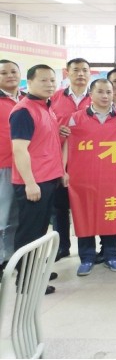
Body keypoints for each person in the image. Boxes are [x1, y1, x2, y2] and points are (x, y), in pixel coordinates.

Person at [10, 64, 65, 294]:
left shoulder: (46, 107)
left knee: (40, 230)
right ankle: (25, 281)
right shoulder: (24, 111)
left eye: (52, 80)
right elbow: (19, 150)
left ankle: (34, 270)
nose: (49, 84)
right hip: (34, 182)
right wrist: (30, 183)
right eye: (43, 80)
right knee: (29, 232)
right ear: (29, 82)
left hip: (48, 178)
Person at [64, 79, 116, 276]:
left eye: (109, 92)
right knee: (84, 216)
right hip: (83, 178)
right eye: (100, 91)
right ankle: (87, 258)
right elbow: (67, 145)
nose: (105, 96)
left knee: (112, 215)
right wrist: (64, 170)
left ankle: (111, 255)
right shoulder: (75, 118)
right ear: (90, 94)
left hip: (113, 178)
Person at [50, 57, 92, 261]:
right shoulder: (54, 97)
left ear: (90, 73)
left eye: (85, 70)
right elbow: (44, 124)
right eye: (76, 70)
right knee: (59, 207)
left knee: (87, 205)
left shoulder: (97, 97)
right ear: (67, 73)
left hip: (89, 162)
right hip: (59, 159)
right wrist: (57, 129)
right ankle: (62, 247)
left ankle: (90, 249)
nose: (81, 74)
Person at [0, 60, 24, 273]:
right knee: (2, 217)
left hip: (26, 166)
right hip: (3, 165)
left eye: (13, 71)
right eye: (4, 73)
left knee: (18, 218)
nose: (10, 75)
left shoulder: (27, 99)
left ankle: (13, 260)